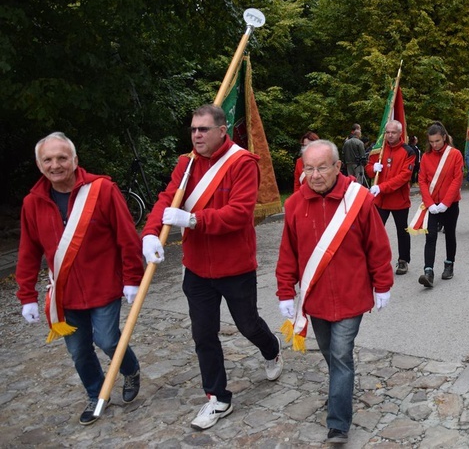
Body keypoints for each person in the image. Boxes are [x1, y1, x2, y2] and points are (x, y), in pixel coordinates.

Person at [141, 104, 282, 431]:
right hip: (197, 268)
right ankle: (217, 398)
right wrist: (149, 233)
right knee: (203, 334)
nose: (197, 135)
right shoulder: (186, 164)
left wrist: (192, 219)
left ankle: (272, 350)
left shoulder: (243, 163)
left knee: (248, 325)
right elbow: (167, 199)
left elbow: (239, 213)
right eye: (193, 129)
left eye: (203, 129)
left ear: (222, 130)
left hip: (235, 266)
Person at [16, 132, 143, 425]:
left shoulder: (102, 190)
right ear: (39, 165)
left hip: (105, 286)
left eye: (62, 158)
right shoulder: (32, 203)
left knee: (109, 340)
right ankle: (96, 393)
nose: (55, 165)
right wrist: (26, 296)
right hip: (65, 294)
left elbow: (127, 237)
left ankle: (131, 371)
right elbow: (27, 252)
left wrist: (132, 278)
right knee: (78, 351)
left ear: (75, 160)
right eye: (48, 159)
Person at [276, 140, 393, 445]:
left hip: (352, 296)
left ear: (338, 167)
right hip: (316, 300)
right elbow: (287, 253)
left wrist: (383, 285)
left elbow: (377, 247)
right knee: (331, 353)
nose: (314, 175)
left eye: (322, 167)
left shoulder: (360, 200)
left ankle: (338, 424)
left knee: (341, 354)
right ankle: (340, 389)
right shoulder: (294, 205)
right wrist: (284, 291)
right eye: (309, 168)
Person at [413, 121, 464, 287]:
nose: (434, 145)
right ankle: (428, 271)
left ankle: (449, 264)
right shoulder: (426, 157)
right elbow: (422, 181)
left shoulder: (455, 154)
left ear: (444, 138)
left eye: (437, 141)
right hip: (432, 204)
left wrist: (446, 203)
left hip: (449, 204)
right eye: (431, 142)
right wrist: (429, 203)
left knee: (449, 234)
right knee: (431, 236)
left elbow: (457, 180)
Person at [365, 120, 416, 274]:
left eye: (393, 132)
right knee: (374, 232)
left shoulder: (409, 151)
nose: (390, 135)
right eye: (388, 132)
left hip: (398, 200)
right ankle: (374, 260)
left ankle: (403, 260)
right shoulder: (378, 149)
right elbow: (368, 170)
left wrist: (381, 187)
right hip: (380, 201)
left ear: (400, 133)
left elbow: (403, 177)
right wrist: (372, 168)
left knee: (402, 231)